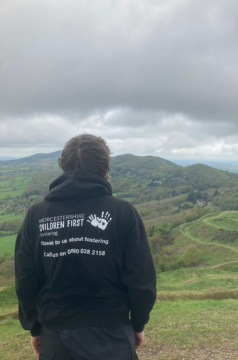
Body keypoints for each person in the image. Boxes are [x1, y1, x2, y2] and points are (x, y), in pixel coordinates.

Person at [15, 134, 156, 360]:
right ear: (105, 167)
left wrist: (34, 328)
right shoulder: (123, 212)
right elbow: (141, 279)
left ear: (63, 165)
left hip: (56, 337)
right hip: (114, 337)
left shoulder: (36, 215)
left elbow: (25, 279)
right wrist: (138, 324)